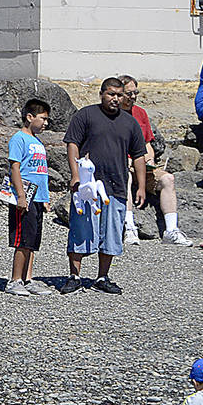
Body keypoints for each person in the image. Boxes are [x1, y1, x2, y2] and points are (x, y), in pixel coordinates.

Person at [65, 78, 147, 293]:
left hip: (116, 186)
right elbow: (72, 143)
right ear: (102, 93)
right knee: (81, 229)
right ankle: (75, 276)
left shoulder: (130, 123)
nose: (116, 99)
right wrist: (75, 175)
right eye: (111, 94)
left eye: (120, 95)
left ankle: (102, 277)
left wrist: (141, 186)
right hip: (87, 186)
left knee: (111, 233)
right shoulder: (85, 115)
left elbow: (139, 155)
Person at [121, 76, 192, 245]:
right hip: (125, 166)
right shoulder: (112, 115)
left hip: (144, 167)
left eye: (135, 92)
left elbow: (147, 142)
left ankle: (171, 230)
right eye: (129, 93)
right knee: (126, 176)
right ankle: (129, 227)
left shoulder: (140, 113)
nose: (133, 97)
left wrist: (150, 158)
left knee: (168, 179)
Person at [7, 97, 55, 296]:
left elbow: (41, 173)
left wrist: (45, 198)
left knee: (33, 240)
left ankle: (28, 278)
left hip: (37, 197)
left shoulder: (37, 142)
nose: (45, 123)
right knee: (22, 239)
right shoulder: (18, 139)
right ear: (29, 117)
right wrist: (20, 196)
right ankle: (14, 280)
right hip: (24, 196)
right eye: (42, 119)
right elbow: (15, 168)